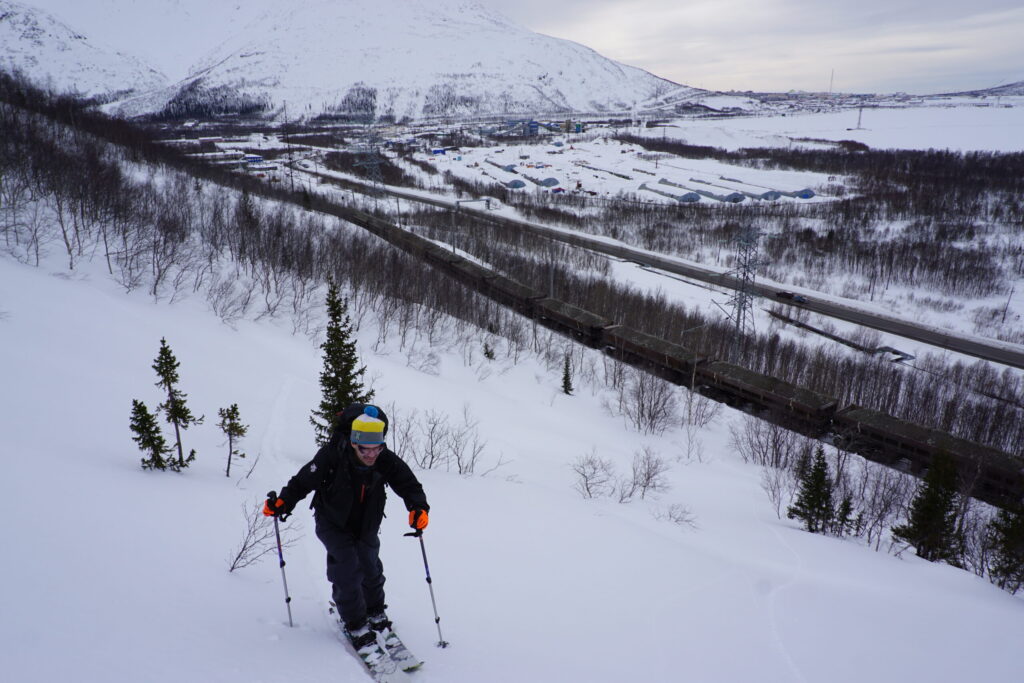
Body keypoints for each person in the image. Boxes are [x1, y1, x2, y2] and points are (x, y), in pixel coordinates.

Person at [263, 404, 429, 659]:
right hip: (332, 521)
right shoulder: (332, 455)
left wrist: (418, 508)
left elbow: (408, 483)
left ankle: (374, 610)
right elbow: (304, 480)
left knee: (370, 565)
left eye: (377, 448)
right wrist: (283, 502)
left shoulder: (384, 459)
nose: (372, 454)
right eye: (366, 449)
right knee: (348, 566)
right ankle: (355, 623)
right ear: (354, 443)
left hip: (367, 522)